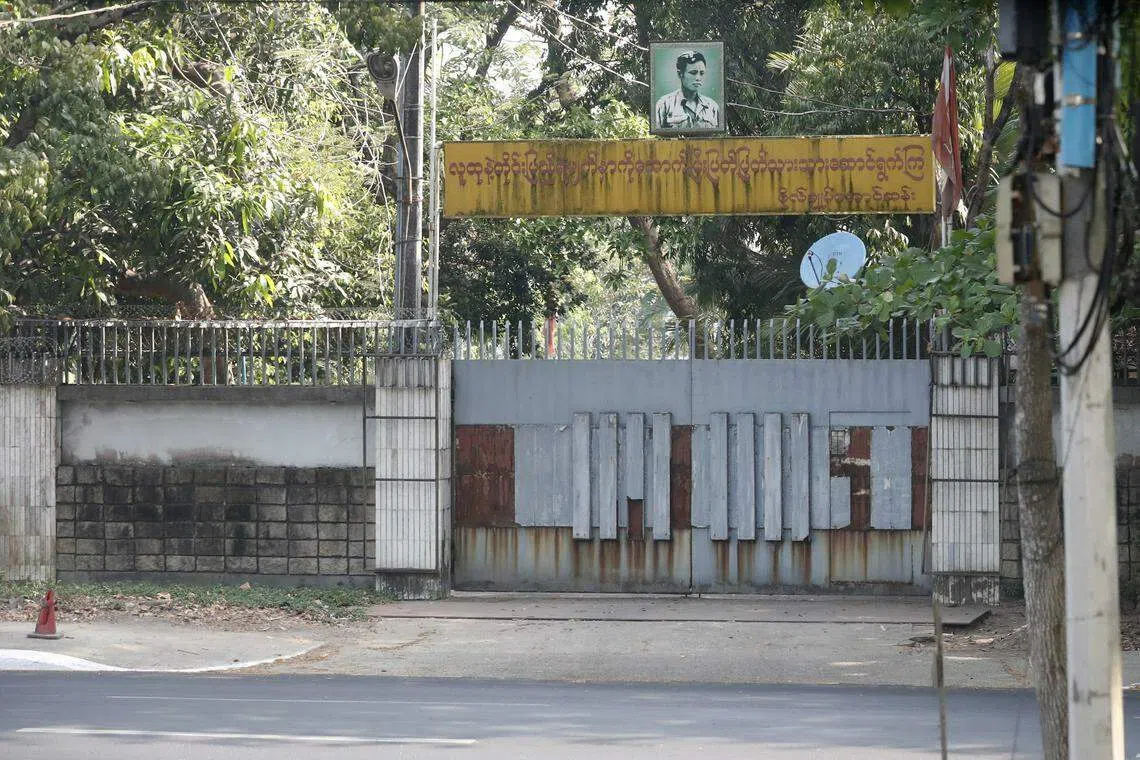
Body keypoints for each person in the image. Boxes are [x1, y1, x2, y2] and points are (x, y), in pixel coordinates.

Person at [654, 50, 721, 131]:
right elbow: (658, 138)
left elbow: (719, 137)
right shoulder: (664, 105)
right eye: (693, 73)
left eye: (702, 73)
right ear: (680, 74)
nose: (698, 78)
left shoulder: (712, 107)